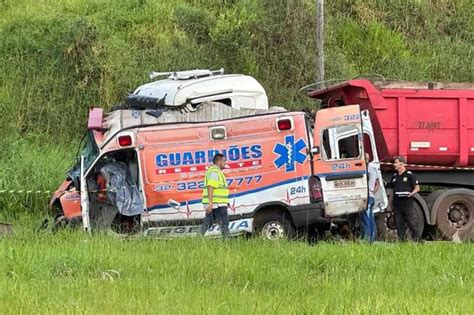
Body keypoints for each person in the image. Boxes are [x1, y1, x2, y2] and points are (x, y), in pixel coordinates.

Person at [388, 156, 421, 241]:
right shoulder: (394, 177)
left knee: (411, 223)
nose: (394, 165)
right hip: (397, 204)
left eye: (396, 162)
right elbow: (392, 191)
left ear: (402, 164)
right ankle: (402, 241)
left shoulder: (410, 175)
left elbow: (417, 188)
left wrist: (411, 194)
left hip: (407, 203)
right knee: (399, 224)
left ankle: (418, 240)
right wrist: (389, 203)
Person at [198, 153, 230, 238]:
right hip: (217, 204)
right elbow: (210, 187)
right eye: (224, 161)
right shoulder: (214, 172)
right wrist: (210, 203)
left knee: (208, 223)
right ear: (219, 162)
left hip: (217, 203)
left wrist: (226, 201)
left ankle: (197, 239)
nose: (225, 163)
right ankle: (227, 244)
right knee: (224, 223)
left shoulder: (215, 171)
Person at [360, 152, 380, 242]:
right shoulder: (374, 168)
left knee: (366, 218)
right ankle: (373, 236)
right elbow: (378, 183)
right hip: (371, 196)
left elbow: (366, 179)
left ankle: (367, 238)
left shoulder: (366, 168)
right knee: (371, 217)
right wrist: (373, 192)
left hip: (366, 196)